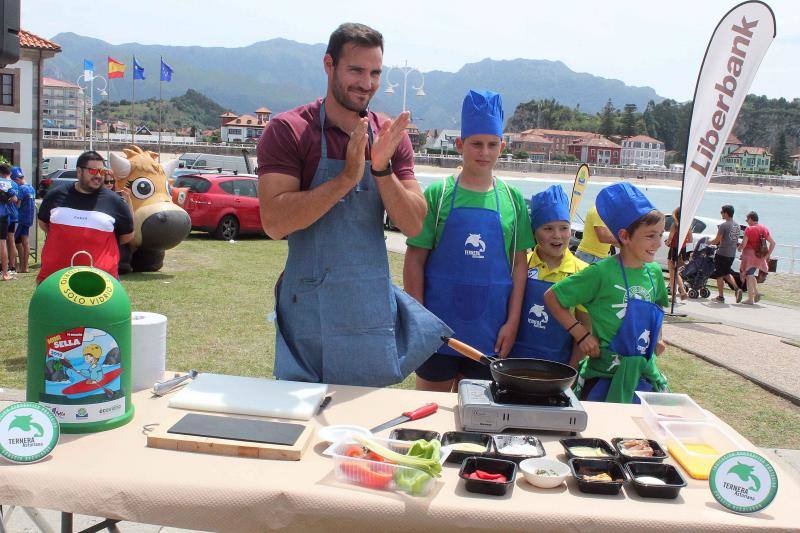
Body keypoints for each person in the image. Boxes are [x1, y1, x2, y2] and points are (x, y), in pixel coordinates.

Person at [257, 23, 450, 387]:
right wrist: (346, 178)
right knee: (307, 423)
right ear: (329, 65)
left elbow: (413, 224)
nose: (367, 83)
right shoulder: (289, 130)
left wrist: (380, 169)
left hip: (369, 309)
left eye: (375, 73)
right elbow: (274, 222)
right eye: (356, 70)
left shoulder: (390, 138)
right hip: (308, 311)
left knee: (367, 426)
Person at [404, 90, 533, 391]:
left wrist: (512, 322)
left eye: (492, 144)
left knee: (478, 423)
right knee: (432, 416)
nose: (484, 152)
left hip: (490, 334)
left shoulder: (512, 201)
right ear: (460, 144)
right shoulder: (439, 194)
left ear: (503, 146)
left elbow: (518, 266)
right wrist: (421, 319)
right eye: (476, 144)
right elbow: (415, 259)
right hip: (439, 332)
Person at [544, 182, 670, 404]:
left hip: (643, 375)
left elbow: (658, 305)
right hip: (604, 377)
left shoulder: (654, 273)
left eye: (660, 234)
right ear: (625, 236)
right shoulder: (601, 273)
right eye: (650, 235)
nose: (658, 243)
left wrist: (658, 336)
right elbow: (552, 297)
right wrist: (581, 335)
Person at [511, 185, 590, 368]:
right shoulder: (521, 265)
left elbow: (585, 328)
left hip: (558, 367)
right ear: (534, 232)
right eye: (547, 228)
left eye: (564, 228)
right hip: (514, 362)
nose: (557, 236)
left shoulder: (583, 273)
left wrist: (572, 369)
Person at [37, 150, 134, 283]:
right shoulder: (55, 196)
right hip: (55, 281)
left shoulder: (115, 202)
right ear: (79, 171)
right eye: (93, 171)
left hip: (101, 283)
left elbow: (127, 236)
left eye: (102, 171)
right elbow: (43, 223)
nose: (98, 176)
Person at [737, 211, 776, 305]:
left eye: (747, 219)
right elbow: (773, 243)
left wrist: (739, 248)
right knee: (751, 274)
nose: (746, 221)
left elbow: (744, 243)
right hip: (760, 256)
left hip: (749, 256)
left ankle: (750, 299)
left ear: (751, 219)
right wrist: (767, 256)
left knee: (749, 275)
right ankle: (756, 293)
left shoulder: (749, 229)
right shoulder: (764, 228)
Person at [707, 204, 741, 303]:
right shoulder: (737, 225)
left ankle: (721, 296)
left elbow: (717, 240)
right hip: (731, 253)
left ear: (726, 213)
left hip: (722, 253)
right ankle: (736, 288)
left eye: (722, 212)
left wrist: (708, 242)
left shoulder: (724, 225)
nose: (721, 214)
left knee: (719, 275)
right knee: (726, 273)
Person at [10, 167, 36, 274]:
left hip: (21, 219)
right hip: (29, 218)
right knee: (22, 242)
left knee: (14, 241)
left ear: (17, 179)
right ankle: (24, 267)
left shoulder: (21, 189)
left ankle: (17, 266)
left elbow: (18, 204)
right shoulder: (31, 188)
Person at [665, 206, 691, 300]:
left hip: (674, 249)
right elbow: (690, 239)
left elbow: (670, 240)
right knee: (676, 271)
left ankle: (676, 294)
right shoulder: (687, 225)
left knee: (672, 273)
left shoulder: (675, 225)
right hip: (682, 250)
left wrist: (667, 243)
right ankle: (679, 292)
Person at [0, 163, 17, 281]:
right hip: (4, 215)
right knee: (3, 243)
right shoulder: (7, 183)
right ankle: (5, 272)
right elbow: (15, 198)